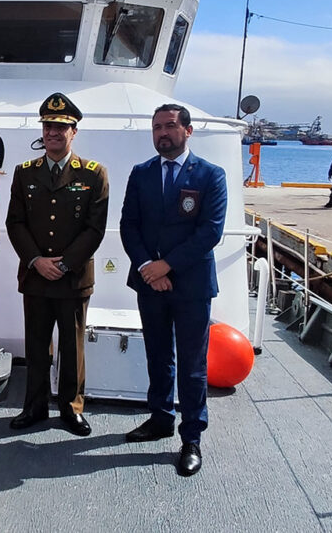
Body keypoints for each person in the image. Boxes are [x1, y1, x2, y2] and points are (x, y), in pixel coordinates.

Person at [119, 104, 227, 476]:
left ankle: (192, 437)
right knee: (158, 354)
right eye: (156, 127)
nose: (162, 133)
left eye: (169, 126)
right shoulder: (141, 173)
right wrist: (149, 267)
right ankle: (161, 418)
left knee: (193, 365)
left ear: (188, 130)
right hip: (150, 283)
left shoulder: (211, 175)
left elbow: (209, 232)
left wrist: (167, 266)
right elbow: (128, 225)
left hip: (192, 286)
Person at [5, 92, 109, 437]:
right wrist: (36, 260)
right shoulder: (24, 173)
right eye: (48, 126)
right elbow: (15, 223)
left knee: (72, 345)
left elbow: (95, 228)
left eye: (60, 127)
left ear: (73, 131)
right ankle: (33, 406)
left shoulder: (94, 175)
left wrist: (63, 265)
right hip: (36, 275)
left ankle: (71, 408)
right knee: (35, 344)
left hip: (73, 277)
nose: (52, 132)